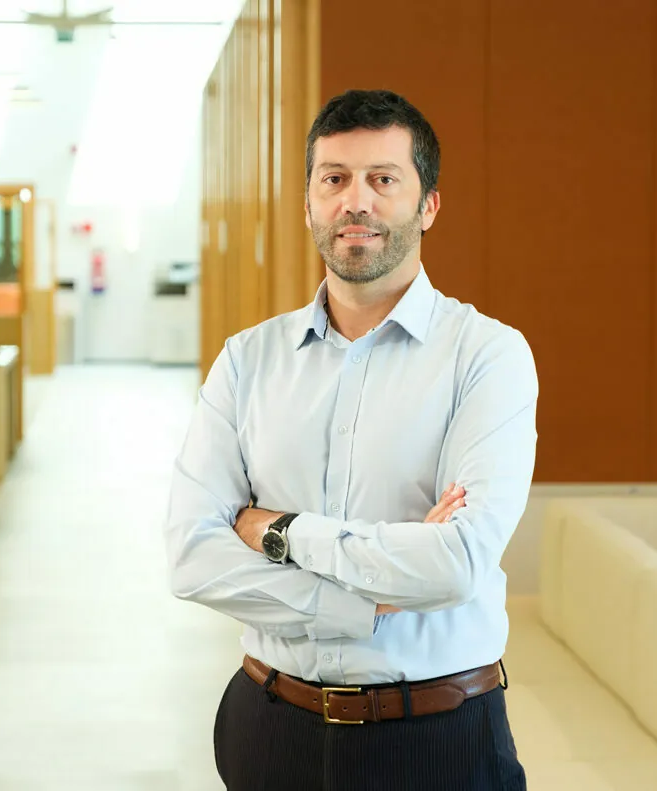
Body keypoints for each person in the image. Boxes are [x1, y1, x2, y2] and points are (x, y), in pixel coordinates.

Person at [164, 89, 538, 790]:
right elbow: (191, 556)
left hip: (435, 738)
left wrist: (277, 529)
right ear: (309, 203)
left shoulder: (487, 355)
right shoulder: (247, 360)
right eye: (333, 178)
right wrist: (372, 598)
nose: (354, 201)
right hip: (267, 723)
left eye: (383, 179)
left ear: (427, 205)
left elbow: (455, 562)